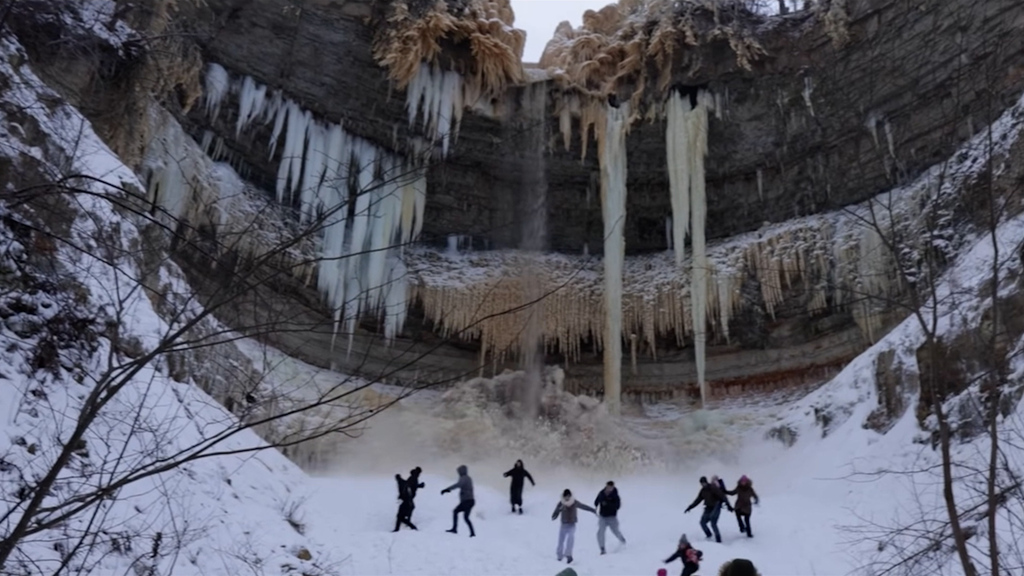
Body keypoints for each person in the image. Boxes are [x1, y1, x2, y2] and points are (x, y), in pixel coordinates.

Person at [551, 488, 596, 564]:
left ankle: (569, 555)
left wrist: (592, 510)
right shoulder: (561, 503)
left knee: (571, 537)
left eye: (568, 496)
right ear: (564, 496)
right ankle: (559, 556)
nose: (567, 498)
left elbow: (583, 506)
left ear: (570, 496)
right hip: (563, 525)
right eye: (566, 496)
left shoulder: (574, 502)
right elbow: (554, 514)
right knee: (561, 541)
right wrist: (558, 511)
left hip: (572, 524)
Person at [684, 475, 733, 543]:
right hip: (708, 507)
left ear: (706, 482)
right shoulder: (703, 491)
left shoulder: (713, 488)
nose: (703, 484)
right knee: (702, 522)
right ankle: (709, 535)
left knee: (713, 522)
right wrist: (690, 507)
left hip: (716, 506)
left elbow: (722, 496)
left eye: (704, 483)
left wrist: (728, 505)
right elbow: (698, 500)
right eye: (702, 483)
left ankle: (718, 539)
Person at [441, 465, 476, 537]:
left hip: (466, 501)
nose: (458, 473)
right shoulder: (468, 478)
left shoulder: (464, 478)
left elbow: (458, 485)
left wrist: (447, 489)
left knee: (456, 511)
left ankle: (454, 529)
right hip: (470, 500)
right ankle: (472, 533)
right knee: (466, 517)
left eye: (459, 471)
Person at [594, 481, 626, 554]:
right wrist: (597, 505)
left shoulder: (615, 495)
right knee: (600, 532)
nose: (609, 489)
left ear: (613, 487)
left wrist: (608, 503)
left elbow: (618, 506)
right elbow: (596, 502)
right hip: (602, 517)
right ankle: (602, 548)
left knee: (615, 531)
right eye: (608, 487)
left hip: (612, 517)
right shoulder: (601, 493)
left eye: (611, 488)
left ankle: (622, 540)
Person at [393, 467, 423, 532]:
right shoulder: (414, 478)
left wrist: (419, 486)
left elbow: (409, 486)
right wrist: (419, 486)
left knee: (400, 516)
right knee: (401, 515)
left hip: (406, 500)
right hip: (408, 499)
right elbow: (410, 486)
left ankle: (400, 528)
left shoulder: (411, 478)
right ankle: (411, 526)